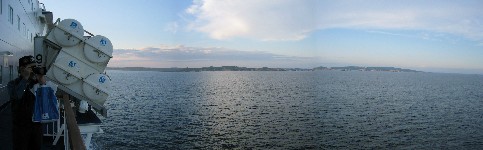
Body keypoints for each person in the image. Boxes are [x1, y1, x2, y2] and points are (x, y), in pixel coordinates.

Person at [7, 55, 46, 150]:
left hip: (36, 125)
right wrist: (25, 78)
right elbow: (17, 96)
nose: (33, 70)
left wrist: (43, 83)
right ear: (21, 69)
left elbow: (46, 99)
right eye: (30, 67)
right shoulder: (12, 84)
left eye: (34, 67)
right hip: (20, 127)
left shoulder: (37, 84)